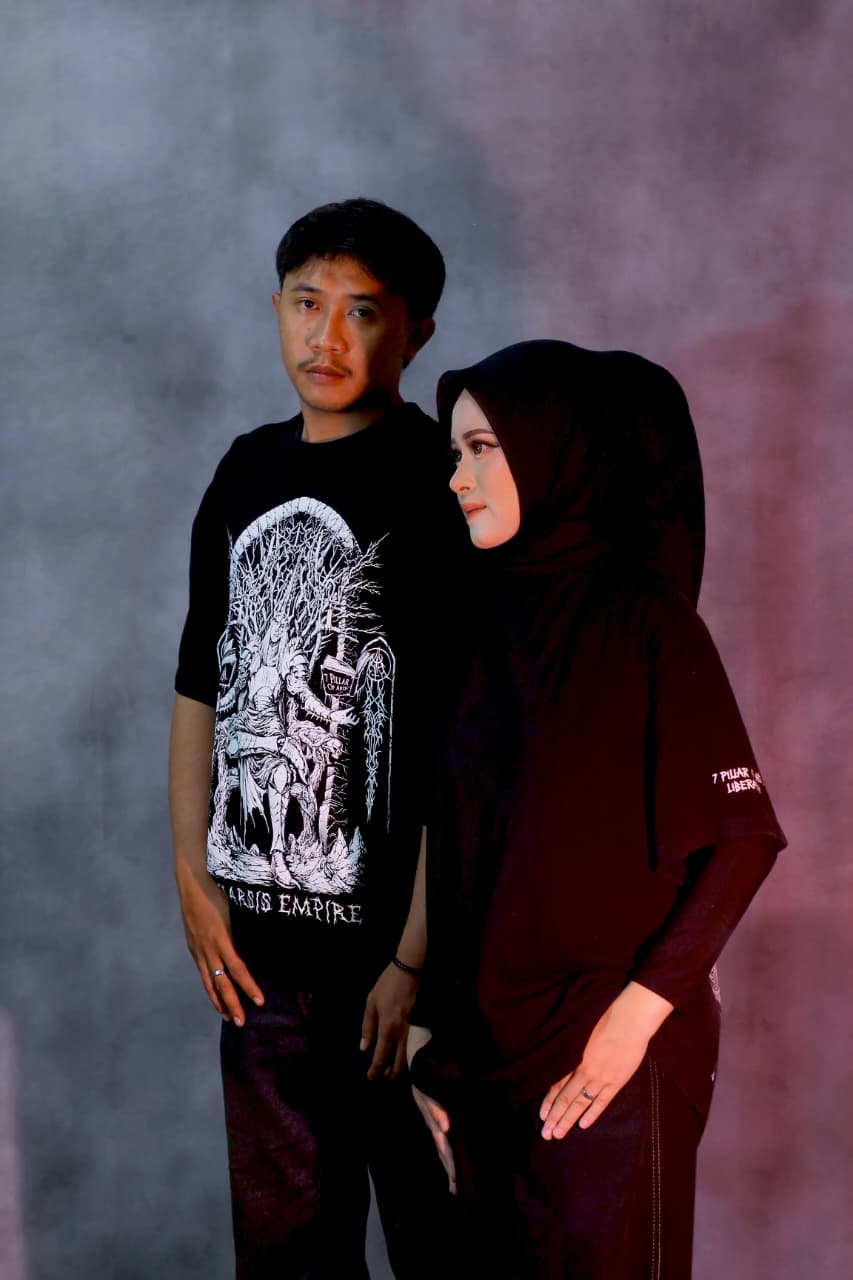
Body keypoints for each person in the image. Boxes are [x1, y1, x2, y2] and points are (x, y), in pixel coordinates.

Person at [408, 340, 786, 1279]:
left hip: (606, 1056)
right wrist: (422, 1022)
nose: (456, 477)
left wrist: (631, 1025)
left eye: (482, 448)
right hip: (477, 1058)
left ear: (554, 452)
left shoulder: (646, 617)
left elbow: (742, 841)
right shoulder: (470, 624)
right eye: (454, 453)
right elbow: (451, 839)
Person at [169, 197, 464, 1279]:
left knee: (441, 1241)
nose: (326, 337)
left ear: (415, 334)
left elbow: (462, 743)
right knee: (288, 1254)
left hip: (398, 972)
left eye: (362, 312)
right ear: (276, 308)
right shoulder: (245, 471)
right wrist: (193, 875)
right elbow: (200, 680)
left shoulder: (441, 484)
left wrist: (415, 956)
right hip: (262, 969)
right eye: (306, 303)